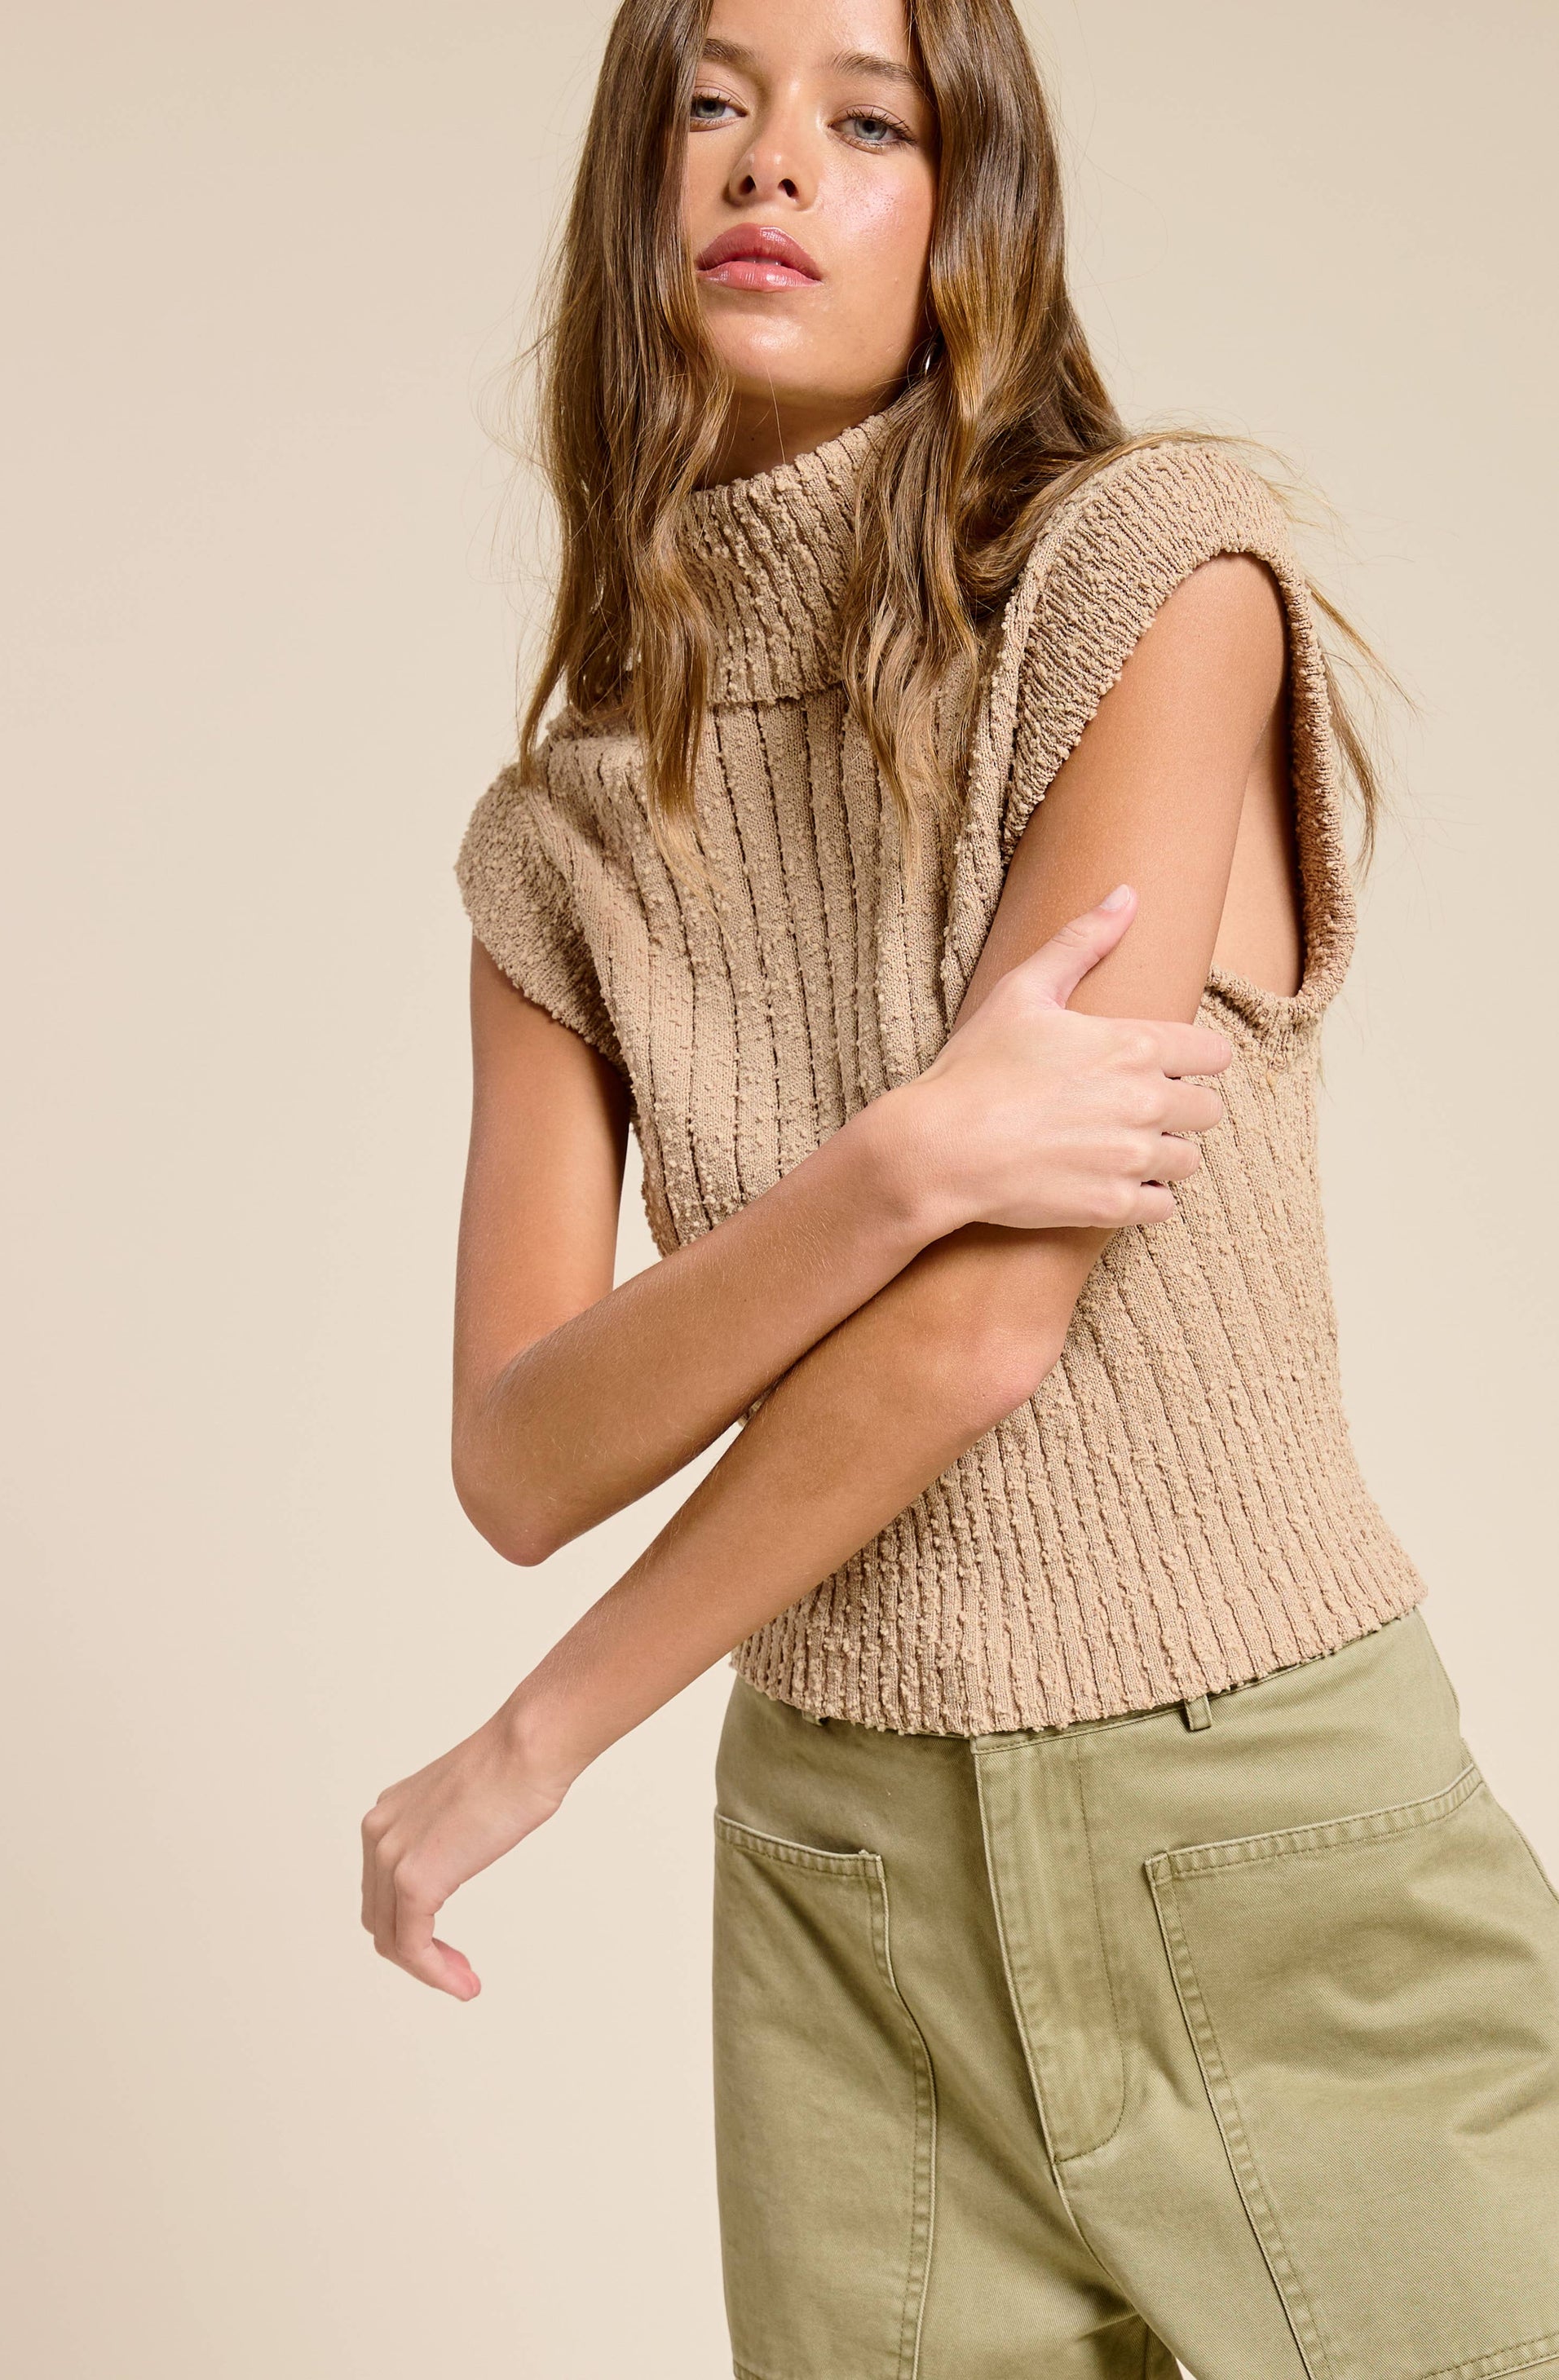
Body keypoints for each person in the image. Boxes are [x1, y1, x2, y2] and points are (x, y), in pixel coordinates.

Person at [361, 1, 1559, 2370]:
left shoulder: (1155, 584)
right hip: (846, 1902)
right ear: (631, 193)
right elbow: (520, 1452)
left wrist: (534, 1739)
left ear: (969, 203)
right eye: (710, 104)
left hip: (1267, 1826)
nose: (770, 163)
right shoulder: (562, 841)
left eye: (867, 118)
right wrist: (900, 1157)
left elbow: (993, 1319)